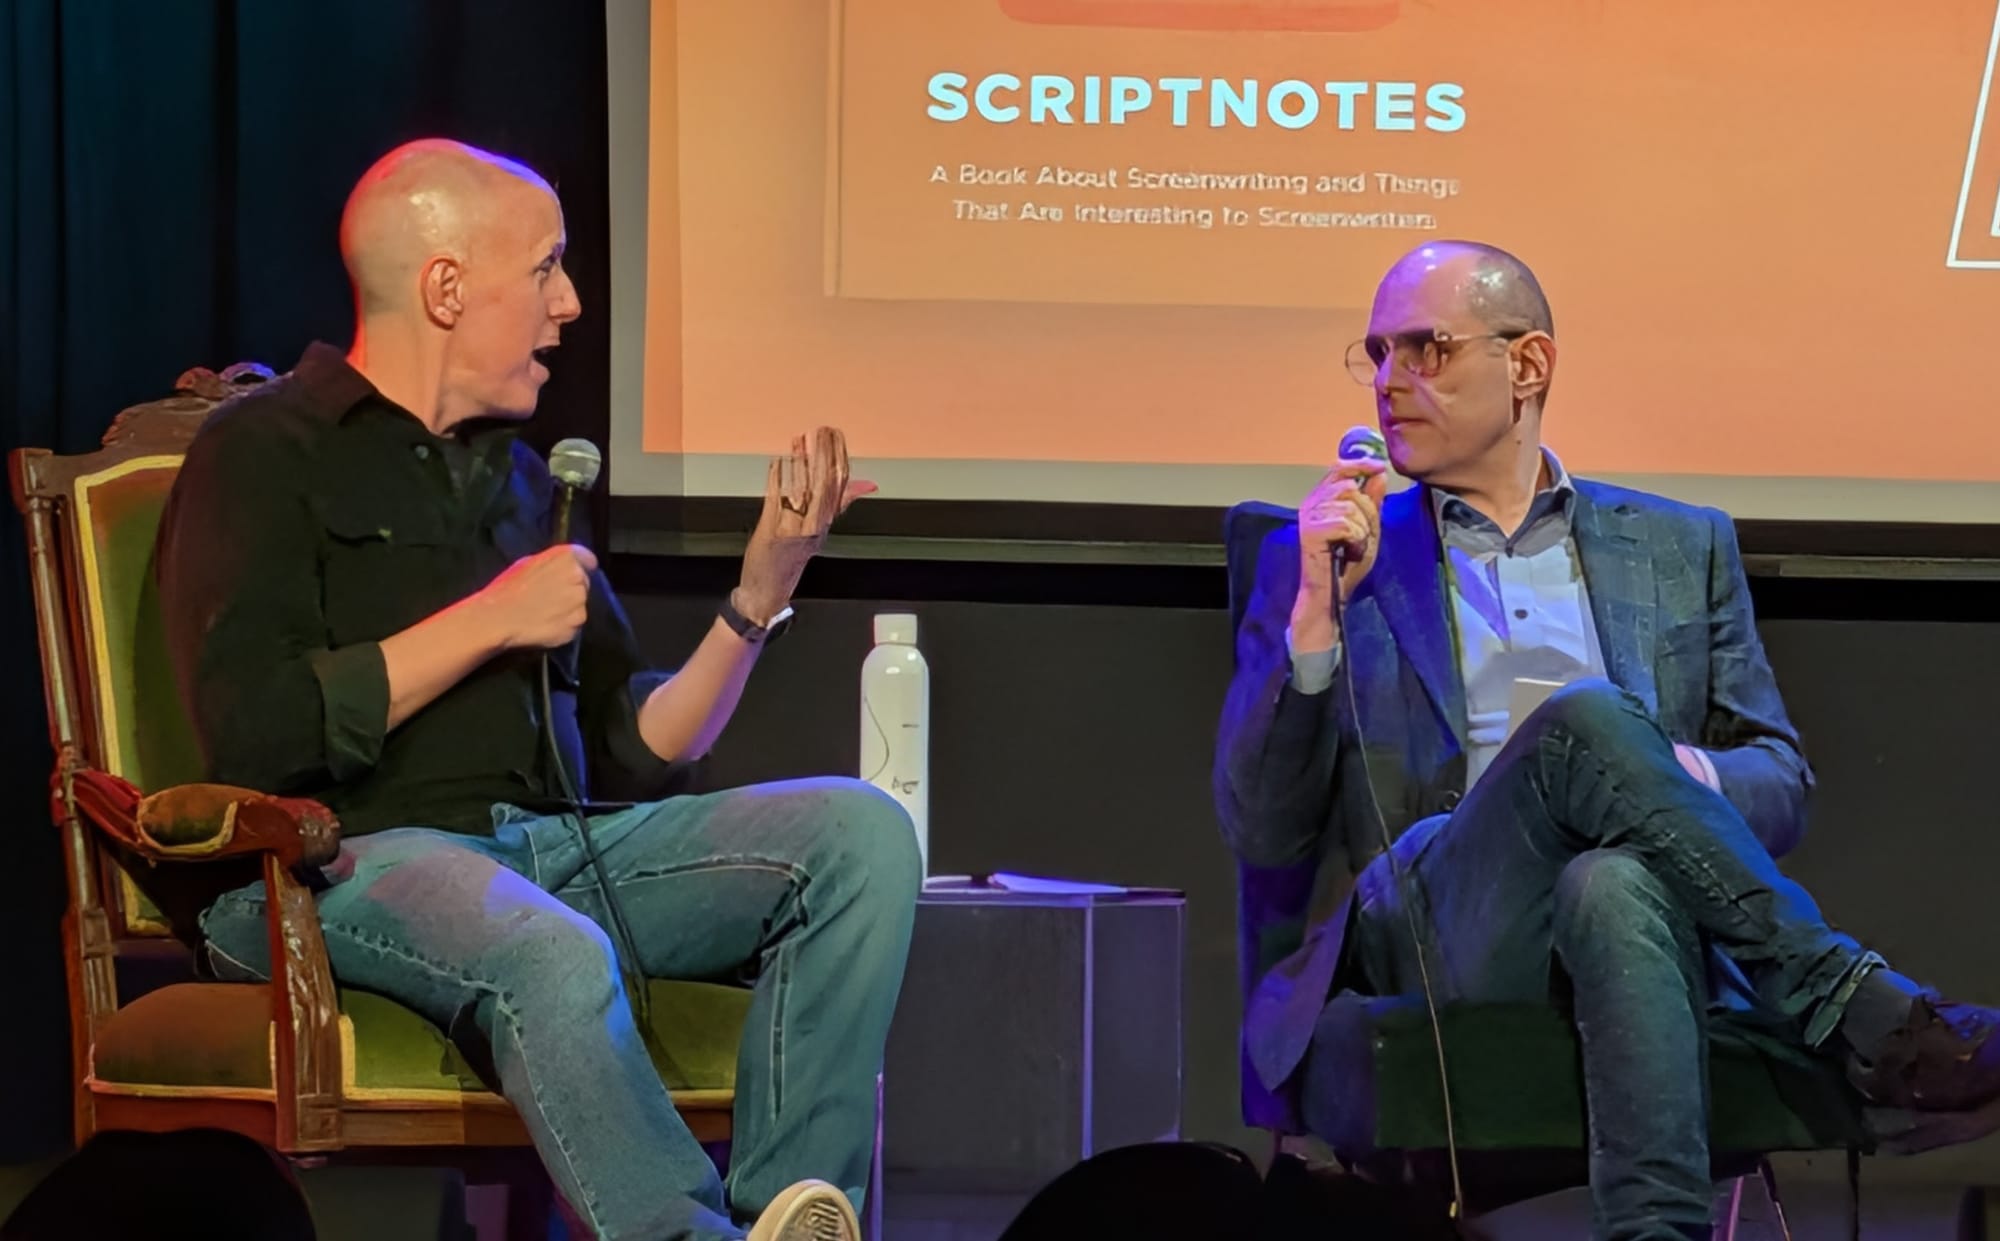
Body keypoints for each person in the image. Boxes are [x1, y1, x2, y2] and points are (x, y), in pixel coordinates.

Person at [155, 139, 920, 1241]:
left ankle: (792, 1216)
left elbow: (632, 744)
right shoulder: (264, 451)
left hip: (545, 850)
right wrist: (490, 621)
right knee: (549, 943)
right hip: (338, 861)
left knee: (861, 835)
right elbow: (258, 730)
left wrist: (759, 594)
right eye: (547, 269)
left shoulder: (520, 477)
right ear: (446, 287)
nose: (568, 305)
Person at [1215, 240, 2000, 1241]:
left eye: (1425, 348)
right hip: (1437, 918)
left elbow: (1777, 782)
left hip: (1627, 905)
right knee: (1581, 718)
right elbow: (1263, 827)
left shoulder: (1679, 546)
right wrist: (1315, 623)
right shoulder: (1329, 553)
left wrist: (1658, 775)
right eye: (1374, 352)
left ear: (1527, 365)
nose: (1387, 380)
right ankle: (1852, 1001)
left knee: (1612, 876)